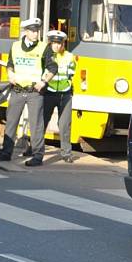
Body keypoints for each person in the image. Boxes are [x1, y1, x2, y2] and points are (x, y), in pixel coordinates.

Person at [0, 17, 57, 166]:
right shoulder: (15, 46)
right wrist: (10, 74)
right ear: (26, 32)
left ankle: (37, 156)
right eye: (33, 31)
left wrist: (44, 81)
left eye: (37, 31)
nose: (36, 34)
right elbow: (10, 64)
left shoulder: (43, 47)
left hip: (35, 92)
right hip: (18, 90)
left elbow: (53, 67)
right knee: (11, 123)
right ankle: (6, 153)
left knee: (36, 125)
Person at [43, 30, 76, 163]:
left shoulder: (69, 56)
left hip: (65, 94)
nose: (57, 46)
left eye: (59, 43)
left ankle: (66, 153)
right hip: (48, 92)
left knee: (64, 125)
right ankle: (35, 148)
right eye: (54, 43)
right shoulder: (45, 55)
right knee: (42, 122)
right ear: (50, 43)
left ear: (63, 44)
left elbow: (71, 73)